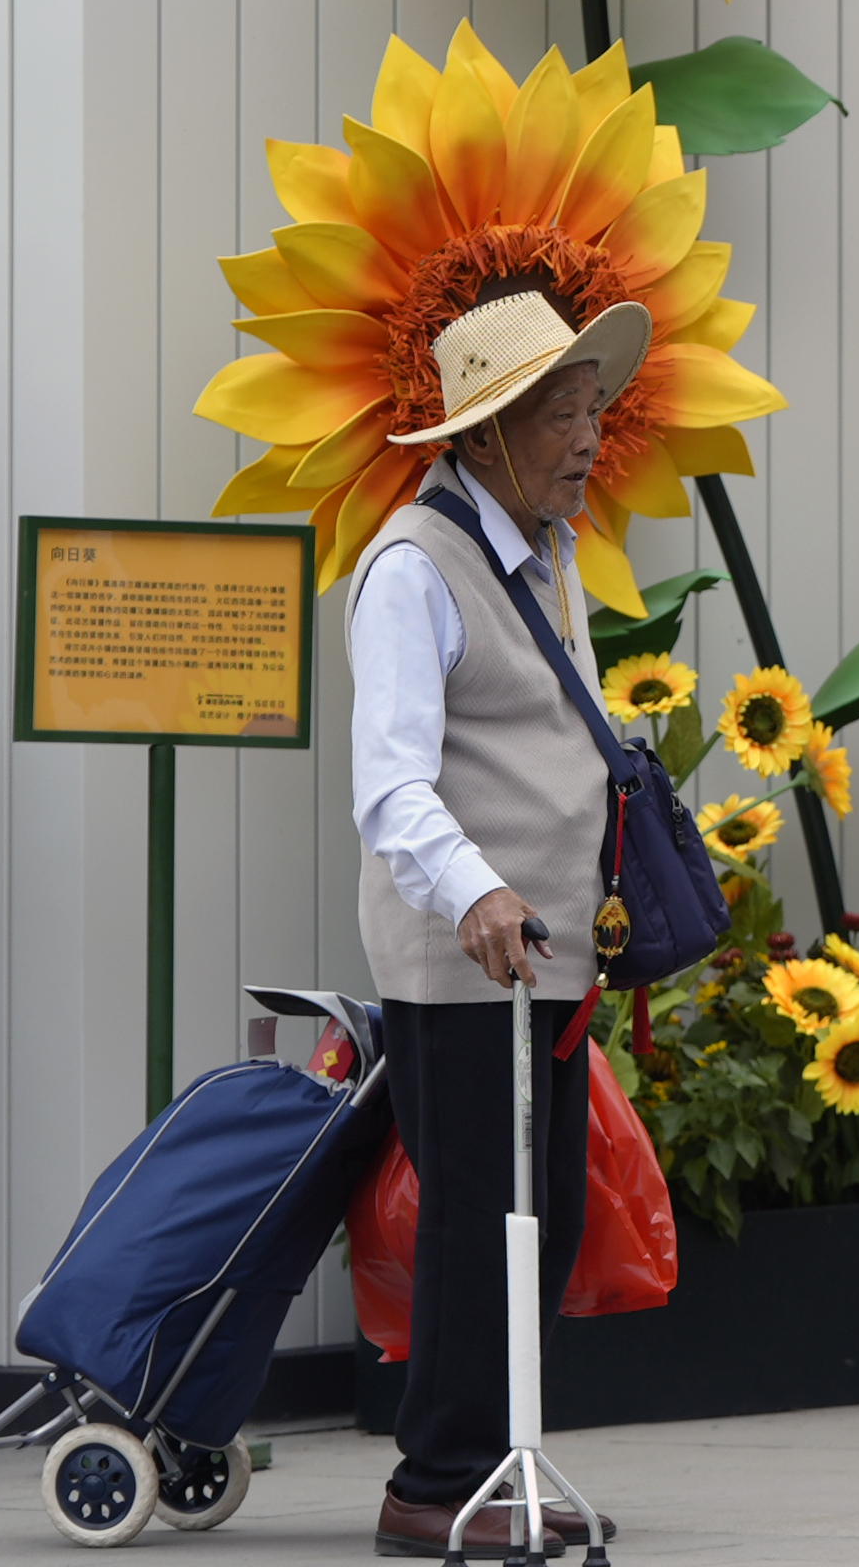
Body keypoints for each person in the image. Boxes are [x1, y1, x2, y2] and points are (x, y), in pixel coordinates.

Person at [345, 288, 651, 1558]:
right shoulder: (415, 567)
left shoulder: (543, 550)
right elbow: (390, 782)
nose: (588, 439)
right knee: (482, 1220)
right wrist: (473, 887)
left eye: (591, 410)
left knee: (544, 1219)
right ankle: (436, 1482)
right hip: (466, 955)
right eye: (559, 415)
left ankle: (503, 1462)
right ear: (482, 436)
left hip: (545, 957)